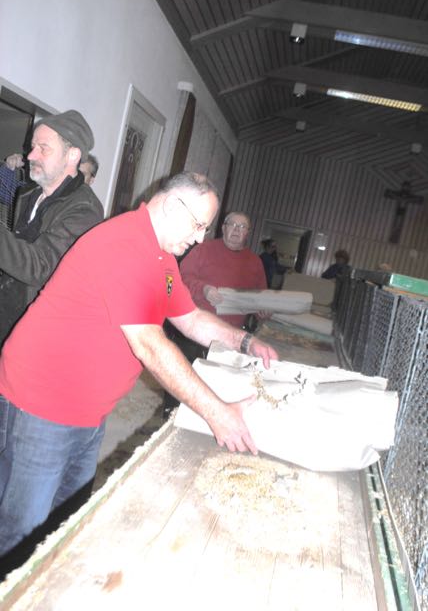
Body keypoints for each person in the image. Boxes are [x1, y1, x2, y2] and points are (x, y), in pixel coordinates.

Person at [0, 172, 278, 562]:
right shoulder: (125, 244)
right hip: (42, 402)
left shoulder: (161, 256)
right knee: (23, 529)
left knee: (65, 520)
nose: (200, 238)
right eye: (198, 225)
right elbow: (150, 344)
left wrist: (245, 342)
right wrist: (219, 413)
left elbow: (190, 318)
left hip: (88, 410)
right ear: (173, 206)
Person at [0, 110, 104, 347]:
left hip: (37, 333)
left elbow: (40, 266)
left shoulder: (85, 210)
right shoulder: (29, 194)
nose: (31, 155)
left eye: (43, 148)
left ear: (73, 155)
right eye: (32, 147)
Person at [162, 211, 269, 417]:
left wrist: (262, 312)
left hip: (230, 337)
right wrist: (204, 289)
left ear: (248, 233)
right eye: (232, 225)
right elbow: (180, 278)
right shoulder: (203, 250)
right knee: (181, 382)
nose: (236, 230)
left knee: (216, 387)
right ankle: (171, 416)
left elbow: (260, 296)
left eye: (242, 227)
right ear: (223, 228)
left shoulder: (254, 262)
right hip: (193, 331)